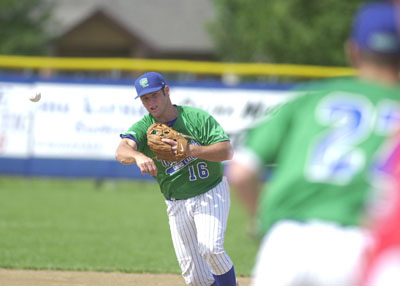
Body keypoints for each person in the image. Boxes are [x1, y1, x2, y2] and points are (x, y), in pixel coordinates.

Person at [227, 2, 400, 286]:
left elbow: (241, 171)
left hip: (286, 244)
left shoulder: (311, 98)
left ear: (352, 50)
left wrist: (262, 222)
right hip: (359, 244)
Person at [115, 71, 237, 286]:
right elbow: (121, 151)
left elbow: (226, 151)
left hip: (210, 191)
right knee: (196, 279)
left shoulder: (195, 118)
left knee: (211, 248)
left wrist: (190, 150)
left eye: (154, 95)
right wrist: (137, 155)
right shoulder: (144, 128)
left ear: (167, 91)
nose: (150, 102)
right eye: (145, 98)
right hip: (176, 203)